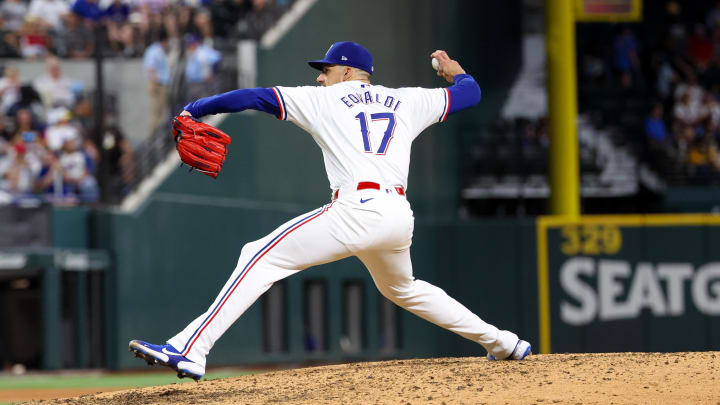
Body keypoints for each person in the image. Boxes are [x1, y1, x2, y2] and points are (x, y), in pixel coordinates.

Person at [129, 42, 532, 381]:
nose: (320, 77)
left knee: (258, 254)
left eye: (325, 69)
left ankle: (189, 349)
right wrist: (457, 73)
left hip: (357, 208)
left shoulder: (322, 99)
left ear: (347, 70)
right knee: (403, 288)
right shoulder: (409, 99)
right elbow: (472, 93)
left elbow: (253, 97)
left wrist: (196, 106)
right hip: (397, 215)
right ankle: (504, 343)